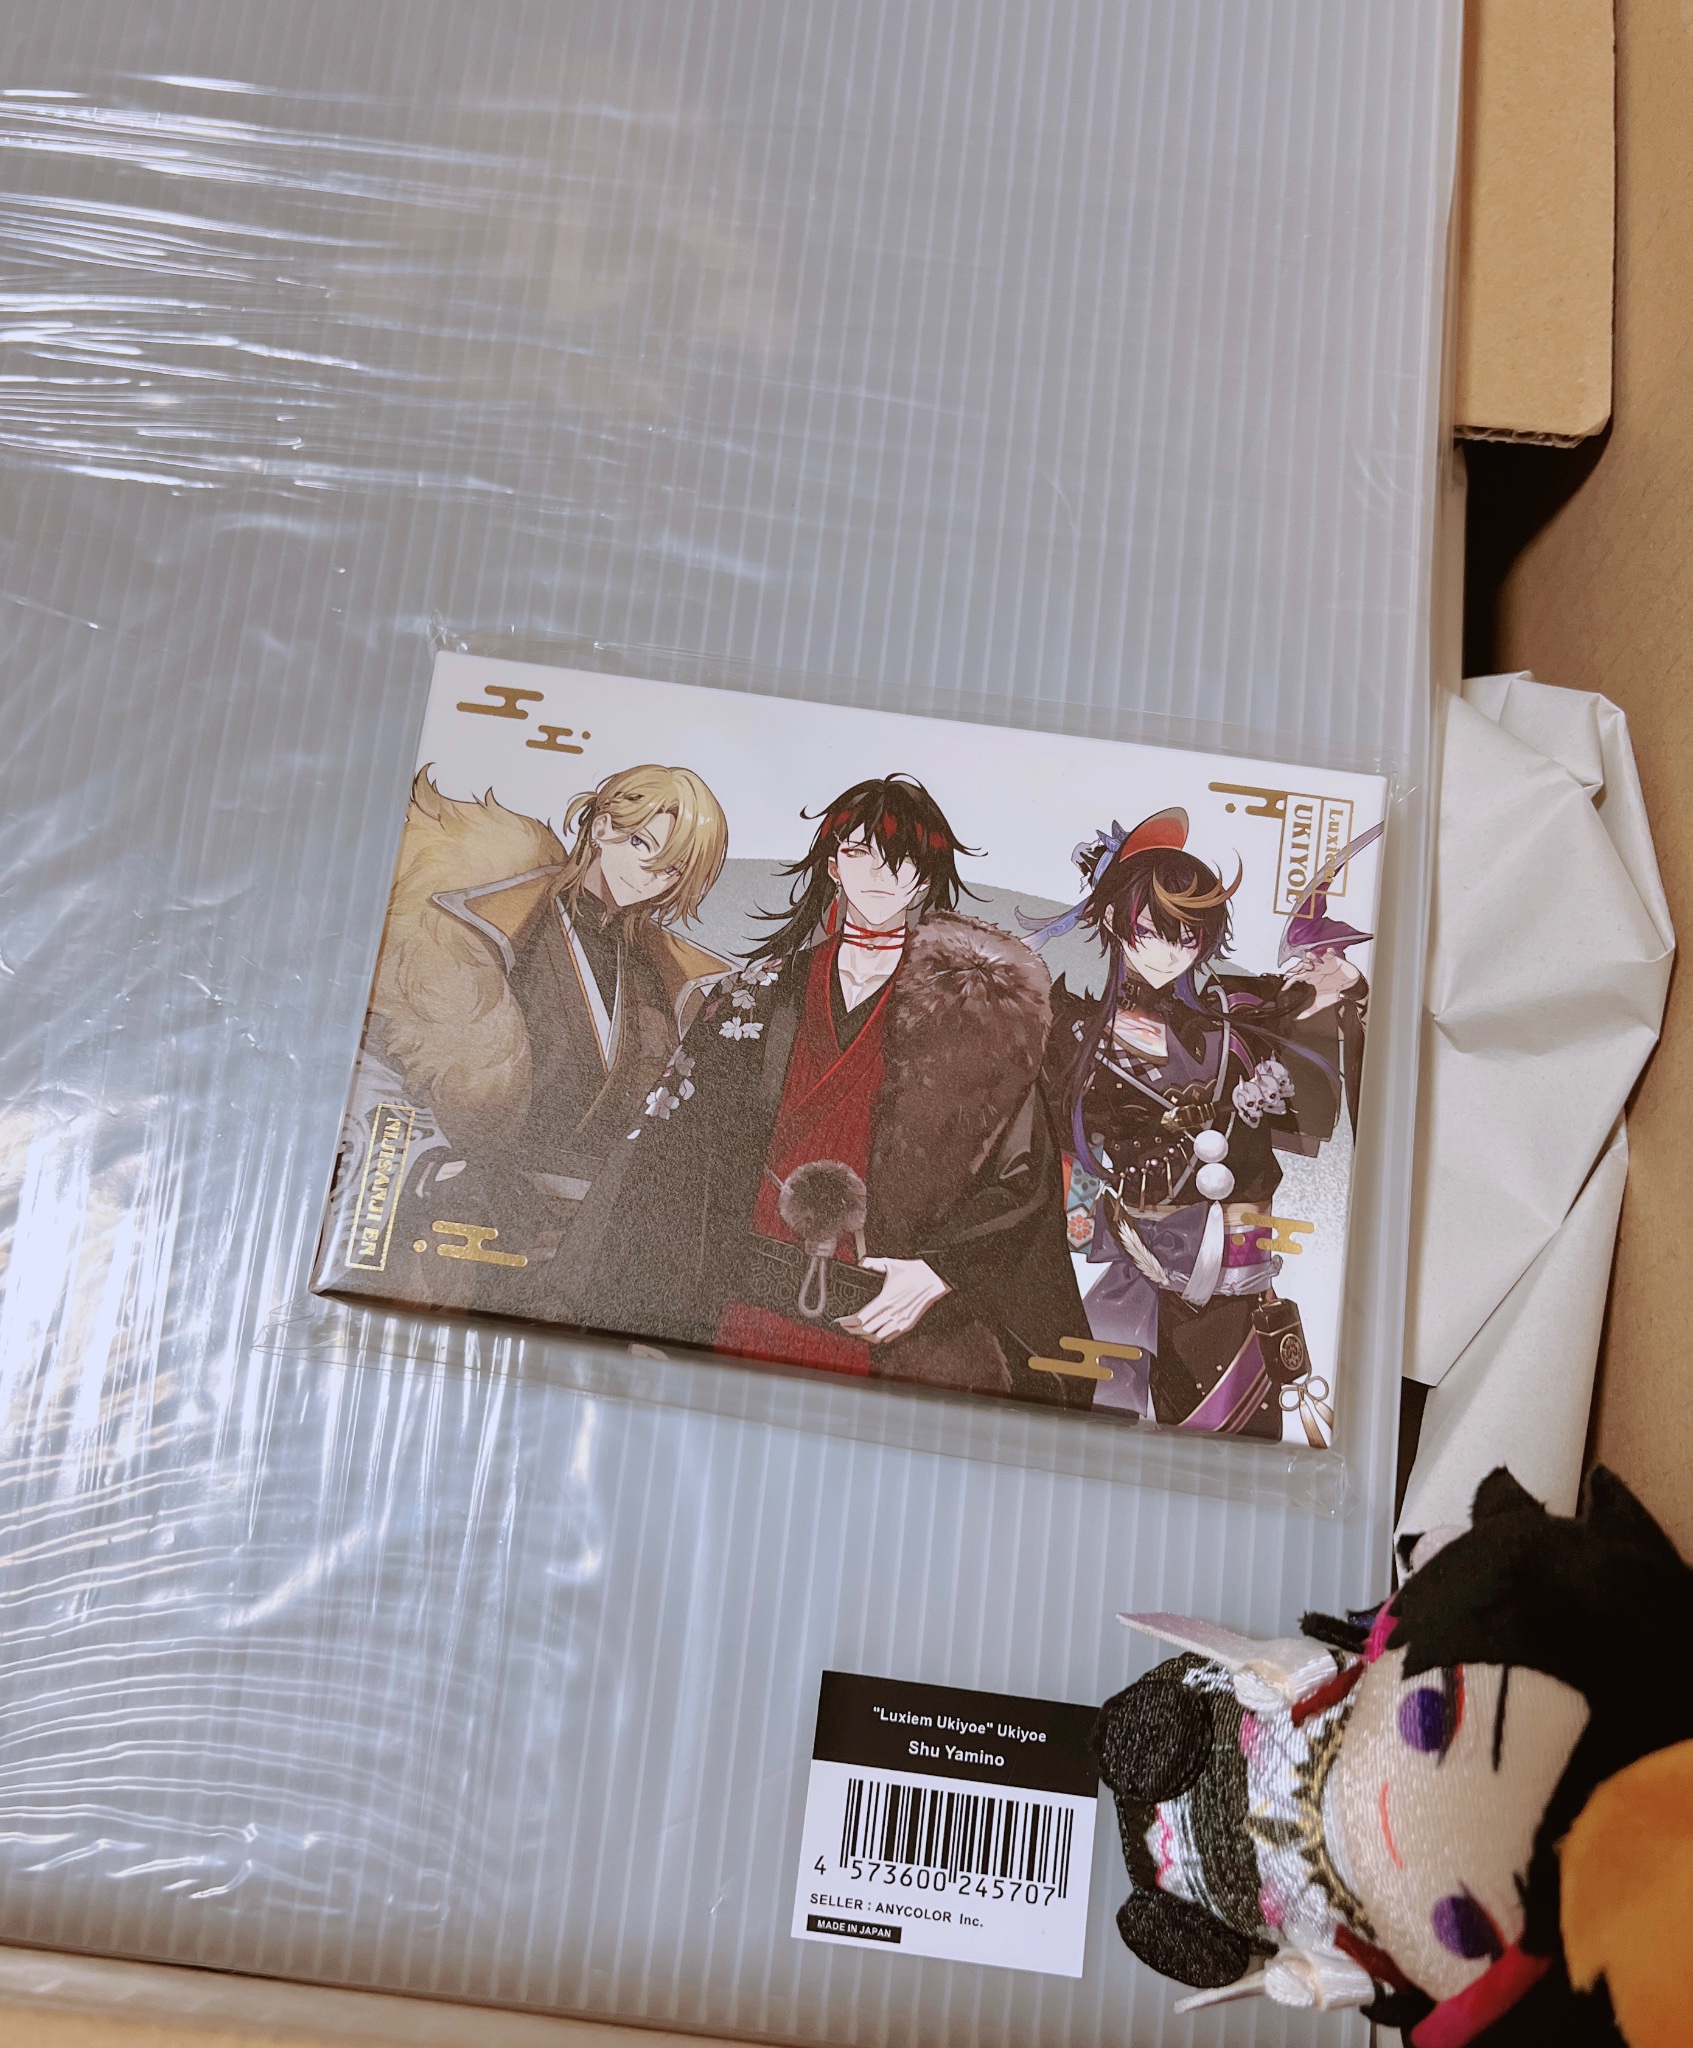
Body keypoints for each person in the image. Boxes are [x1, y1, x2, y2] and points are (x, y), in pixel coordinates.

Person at [567, 774, 1090, 1406]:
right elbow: (669, 1158)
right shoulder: (755, 993)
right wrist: (645, 1316)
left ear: (924, 876)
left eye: (901, 859)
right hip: (741, 1305)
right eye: (860, 851)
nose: (880, 873)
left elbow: (1024, 1173)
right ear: (835, 864)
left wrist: (938, 1270)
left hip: (885, 1319)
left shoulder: (973, 1012)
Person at [1029, 808, 1372, 1438]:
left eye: (1187, 936)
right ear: (1114, 920)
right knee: (1108, 1433)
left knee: (1236, 1447)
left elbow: (1313, 1071)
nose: (1169, 952)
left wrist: (1340, 985)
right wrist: (1087, 1218)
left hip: (1241, 1280)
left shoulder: (1237, 1012)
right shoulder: (1075, 1035)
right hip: (1138, 1271)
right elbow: (1054, 1152)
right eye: (1151, 931)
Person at [361, 762, 729, 1308]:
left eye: (671, 870)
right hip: (464, 1208)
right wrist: (434, 1166)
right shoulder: (486, 925)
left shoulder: (658, 975)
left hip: (577, 1243)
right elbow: (388, 1062)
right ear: (602, 827)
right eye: (641, 844)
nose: (650, 875)